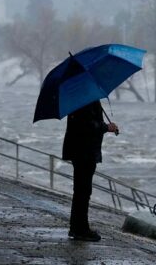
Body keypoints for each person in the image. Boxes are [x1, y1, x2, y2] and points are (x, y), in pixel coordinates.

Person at [62, 100, 119, 242]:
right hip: (84, 152)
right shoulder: (86, 101)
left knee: (81, 190)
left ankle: (77, 227)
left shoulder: (80, 99)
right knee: (83, 190)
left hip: (82, 151)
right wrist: (107, 127)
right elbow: (87, 126)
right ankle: (81, 229)